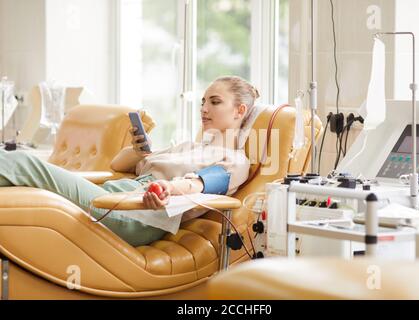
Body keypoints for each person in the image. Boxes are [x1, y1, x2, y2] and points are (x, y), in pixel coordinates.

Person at [0, 76, 259, 247]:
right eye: (203, 102)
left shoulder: (234, 160)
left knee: (24, 162)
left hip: (138, 214)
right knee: (16, 184)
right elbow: (118, 165)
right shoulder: (187, 147)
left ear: (240, 111)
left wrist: (169, 189)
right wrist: (138, 150)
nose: (204, 109)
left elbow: (199, 185)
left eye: (215, 102)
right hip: (113, 195)